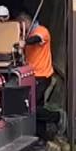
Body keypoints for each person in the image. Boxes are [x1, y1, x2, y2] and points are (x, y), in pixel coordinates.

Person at [17, 10, 58, 138]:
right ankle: (41, 136)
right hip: (31, 75)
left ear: (26, 22)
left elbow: (37, 39)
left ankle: (57, 117)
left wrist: (25, 43)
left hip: (42, 75)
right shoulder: (26, 35)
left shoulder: (41, 31)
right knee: (37, 105)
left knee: (31, 106)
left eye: (21, 25)